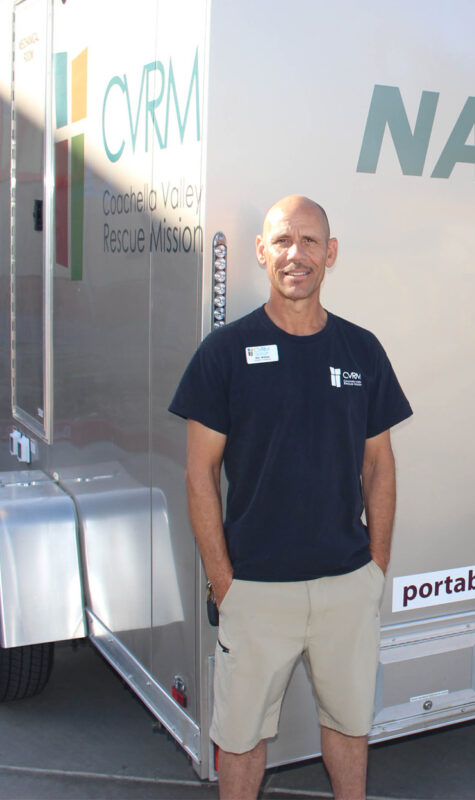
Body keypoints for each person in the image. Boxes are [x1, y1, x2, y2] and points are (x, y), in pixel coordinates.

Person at [169, 195, 412, 800]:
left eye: (308, 241)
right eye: (281, 241)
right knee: (241, 739)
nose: (294, 254)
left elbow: (379, 465)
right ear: (261, 252)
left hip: (345, 586)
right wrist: (224, 581)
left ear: (330, 254)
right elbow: (200, 474)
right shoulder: (223, 354)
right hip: (255, 590)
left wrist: (374, 568)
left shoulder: (362, 351)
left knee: (350, 728)